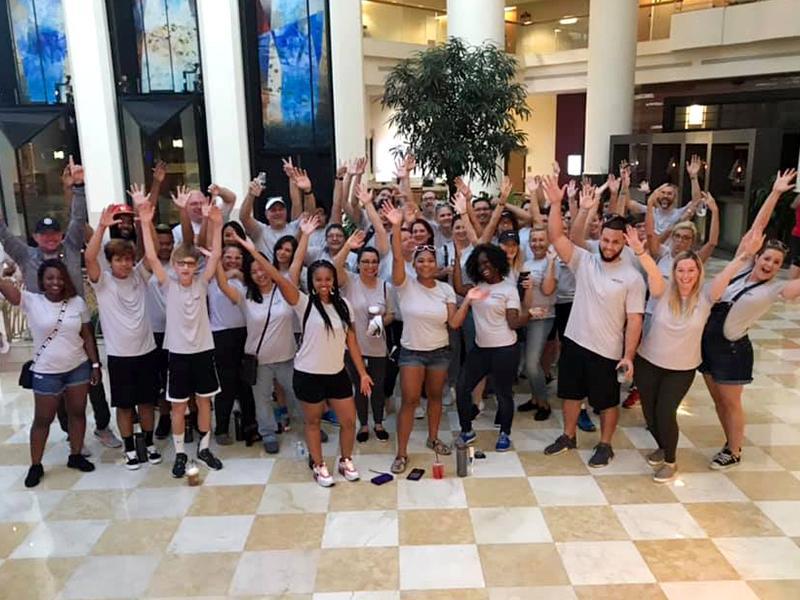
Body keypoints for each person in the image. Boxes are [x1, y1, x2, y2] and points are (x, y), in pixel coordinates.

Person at [0, 158, 119, 449]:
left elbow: (77, 219)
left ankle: (102, 427)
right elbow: (3, 233)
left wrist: (78, 186)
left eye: (55, 234)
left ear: (60, 236)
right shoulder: (26, 255)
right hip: (46, 330)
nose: (51, 238)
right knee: (61, 389)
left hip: (78, 322)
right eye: (44, 234)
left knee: (93, 379)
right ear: (35, 236)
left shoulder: (69, 249)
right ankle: (71, 433)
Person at [626, 226, 758, 483]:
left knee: (665, 412)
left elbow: (730, 271)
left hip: (682, 368)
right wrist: (640, 250)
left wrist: (745, 256)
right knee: (650, 415)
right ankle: (662, 446)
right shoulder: (662, 292)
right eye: (681, 270)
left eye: (691, 270)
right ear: (674, 273)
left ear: (699, 272)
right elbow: (652, 270)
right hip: (648, 362)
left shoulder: (707, 296)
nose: (686, 275)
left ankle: (670, 461)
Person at [541, 176, 646, 467]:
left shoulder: (632, 277)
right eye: (605, 240)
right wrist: (555, 203)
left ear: (625, 242)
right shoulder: (585, 261)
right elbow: (558, 237)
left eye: (615, 241)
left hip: (607, 351)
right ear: (600, 238)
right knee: (570, 395)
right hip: (575, 341)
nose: (609, 245)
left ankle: (605, 444)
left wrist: (628, 355)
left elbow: (635, 320)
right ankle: (568, 435)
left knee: (607, 402)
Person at [700, 169, 800, 470]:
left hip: (732, 351)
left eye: (776, 262)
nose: (769, 264)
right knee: (718, 401)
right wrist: (776, 193)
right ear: (757, 256)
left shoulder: (774, 289)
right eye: (766, 258)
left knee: (731, 402)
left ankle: (734, 450)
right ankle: (728, 442)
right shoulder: (741, 268)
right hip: (707, 344)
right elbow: (758, 227)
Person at [139, 191, 225, 478]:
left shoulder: (202, 282)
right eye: (181, 264)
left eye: (190, 264)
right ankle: (179, 454)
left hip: (202, 351)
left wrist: (217, 221)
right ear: (174, 267)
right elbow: (151, 255)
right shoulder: (168, 284)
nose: (186, 268)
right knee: (177, 407)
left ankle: (203, 447)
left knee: (204, 402)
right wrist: (144, 218)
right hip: (177, 353)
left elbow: (216, 254)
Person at [0, 260, 98, 487]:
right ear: (42, 281)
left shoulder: (77, 303)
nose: (56, 282)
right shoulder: (32, 301)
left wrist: (94, 365)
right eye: (50, 278)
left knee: (77, 413)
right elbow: (8, 291)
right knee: (43, 420)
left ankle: (75, 455)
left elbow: (87, 336)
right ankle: (36, 464)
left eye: (60, 277)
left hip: (78, 368)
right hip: (46, 372)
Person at [212, 231, 306, 455]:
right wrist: (215, 257)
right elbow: (223, 284)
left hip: (287, 357)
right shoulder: (244, 295)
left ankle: (308, 425)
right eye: (254, 271)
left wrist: (306, 235)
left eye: (263, 269)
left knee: (298, 394)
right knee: (261, 399)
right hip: (259, 360)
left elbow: (298, 261)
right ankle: (268, 433)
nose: (260, 274)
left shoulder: (284, 290)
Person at [383, 201, 459, 474]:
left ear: (436, 263)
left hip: (439, 352)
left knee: (436, 397)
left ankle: (433, 437)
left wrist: (470, 301)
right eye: (421, 260)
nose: (426, 264)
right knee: (410, 400)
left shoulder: (446, 291)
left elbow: (453, 323)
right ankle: (402, 452)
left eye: (430, 260)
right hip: (412, 352)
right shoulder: (404, 285)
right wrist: (395, 225)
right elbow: (396, 258)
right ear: (414, 264)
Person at [85, 199, 162, 470]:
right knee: (125, 406)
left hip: (146, 350)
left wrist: (146, 220)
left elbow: (151, 256)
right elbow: (88, 257)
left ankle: (149, 444)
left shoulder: (140, 276)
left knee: (147, 403)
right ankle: (129, 449)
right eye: (118, 259)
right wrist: (101, 226)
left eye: (128, 259)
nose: (125, 264)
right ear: (111, 261)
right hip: (120, 356)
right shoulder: (103, 282)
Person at [289, 260, 373, 487]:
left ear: (334, 280)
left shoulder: (344, 305)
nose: (324, 283)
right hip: (308, 374)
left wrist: (363, 373)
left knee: (349, 421)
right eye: (319, 279)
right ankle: (318, 464)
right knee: (313, 421)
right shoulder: (303, 302)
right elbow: (285, 276)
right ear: (312, 282)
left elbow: (352, 341)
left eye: (328, 279)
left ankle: (346, 460)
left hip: (336, 373)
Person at [453, 243, 530, 450]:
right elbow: (458, 287)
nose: (483, 267)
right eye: (479, 264)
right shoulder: (477, 287)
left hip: (505, 350)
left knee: (503, 393)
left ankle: (505, 433)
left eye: (487, 262)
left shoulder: (508, 289)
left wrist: (529, 315)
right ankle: (466, 430)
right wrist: (456, 257)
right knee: (461, 388)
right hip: (481, 349)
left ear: (497, 262)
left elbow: (513, 323)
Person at [334, 231, 395, 443]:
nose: (370, 266)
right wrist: (347, 246)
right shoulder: (349, 282)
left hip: (377, 345)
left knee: (377, 386)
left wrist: (379, 322)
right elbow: (334, 268)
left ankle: (378, 422)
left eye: (374, 262)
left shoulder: (386, 286)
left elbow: (391, 314)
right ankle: (364, 425)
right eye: (366, 262)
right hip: (354, 346)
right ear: (358, 264)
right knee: (359, 387)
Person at [209, 243, 259, 446]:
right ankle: (221, 428)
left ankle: (250, 427)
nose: (233, 261)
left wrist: (241, 277)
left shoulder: (250, 281)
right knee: (226, 384)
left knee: (246, 383)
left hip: (246, 334)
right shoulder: (212, 277)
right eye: (228, 257)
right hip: (222, 335)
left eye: (237, 258)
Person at [516, 226, 558, 420]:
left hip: (544, 318)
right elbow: (526, 298)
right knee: (528, 364)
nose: (537, 244)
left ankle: (544, 403)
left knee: (532, 364)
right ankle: (534, 398)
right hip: (528, 317)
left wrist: (550, 263)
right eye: (534, 240)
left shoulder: (552, 262)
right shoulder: (526, 264)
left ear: (548, 241)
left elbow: (549, 290)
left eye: (541, 240)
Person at [145, 223, 175, 439]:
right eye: (161, 243)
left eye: (169, 243)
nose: (165, 247)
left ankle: (187, 417)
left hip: (178, 332)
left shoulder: (179, 265)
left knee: (180, 377)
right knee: (161, 378)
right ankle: (165, 416)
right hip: (155, 332)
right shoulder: (148, 268)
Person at [240, 178, 302, 261]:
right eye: (273, 210)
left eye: (280, 209)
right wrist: (251, 195)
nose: (277, 213)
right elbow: (244, 217)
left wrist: (292, 178)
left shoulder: (295, 227)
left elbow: (297, 203)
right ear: (266, 214)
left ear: (286, 212)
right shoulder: (260, 231)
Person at [790, 192, 800, 280]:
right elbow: (793, 205)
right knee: (797, 261)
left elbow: (793, 205)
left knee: (796, 261)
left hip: (797, 234)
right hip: (797, 234)